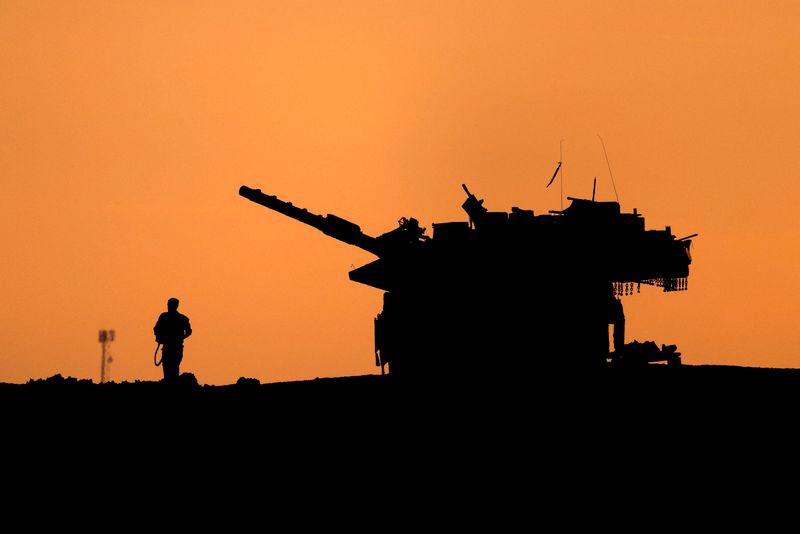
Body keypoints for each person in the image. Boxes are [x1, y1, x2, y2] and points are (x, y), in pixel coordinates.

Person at [154, 297, 192, 382]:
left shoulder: (182, 318)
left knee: (174, 368)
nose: (169, 306)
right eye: (168, 305)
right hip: (168, 347)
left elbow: (189, 331)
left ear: (176, 306)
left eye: (170, 305)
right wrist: (159, 337)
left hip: (176, 348)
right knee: (167, 368)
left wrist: (180, 338)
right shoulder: (164, 316)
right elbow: (156, 329)